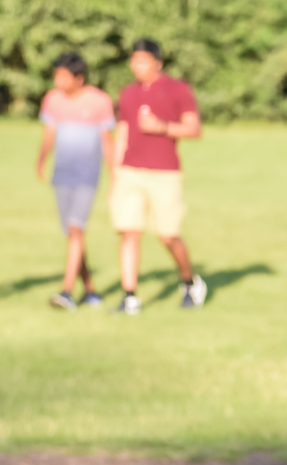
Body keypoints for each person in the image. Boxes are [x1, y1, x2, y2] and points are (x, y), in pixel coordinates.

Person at [109, 39, 207, 313]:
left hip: (164, 173)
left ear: (157, 63)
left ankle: (190, 282)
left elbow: (194, 129)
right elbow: (123, 133)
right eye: (134, 60)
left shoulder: (178, 90)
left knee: (168, 235)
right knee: (129, 232)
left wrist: (162, 127)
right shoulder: (128, 93)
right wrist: (115, 173)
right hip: (130, 171)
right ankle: (130, 296)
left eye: (143, 60)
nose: (137, 66)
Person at [36, 52, 117, 309]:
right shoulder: (53, 99)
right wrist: (41, 160)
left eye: (64, 76)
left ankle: (67, 292)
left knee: (75, 230)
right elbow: (49, 134)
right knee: (73, 235)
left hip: (86, 177)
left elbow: (107, 142)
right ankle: (90, 290)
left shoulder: (100, 101)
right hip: (62, 175)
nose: (58, 81)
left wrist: (114, 177)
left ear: (79, 78)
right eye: (56, 76)